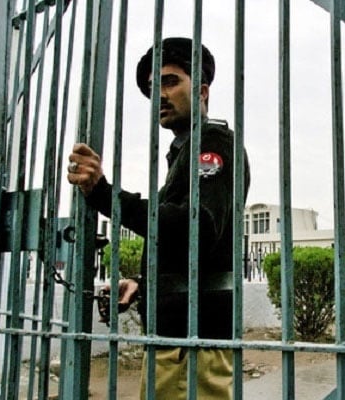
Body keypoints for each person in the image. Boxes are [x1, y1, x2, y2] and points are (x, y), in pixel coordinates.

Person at [67, 37, 250, 399]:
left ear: (201, 91)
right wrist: (143, 281)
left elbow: (194, 229)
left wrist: (104, 193)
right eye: (153, 88)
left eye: (170, 82)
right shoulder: (184, 151)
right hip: (178, 338)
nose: (160, 96)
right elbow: (189, 251)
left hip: (193, 344)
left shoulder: (212, 143)